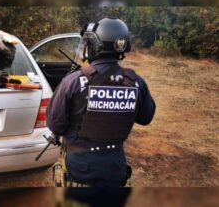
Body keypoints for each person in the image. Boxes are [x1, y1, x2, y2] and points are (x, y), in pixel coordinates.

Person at [47, 17, 156, 187]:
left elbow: (55, 125)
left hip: (80, 169)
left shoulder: (74, 81)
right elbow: (146, 118)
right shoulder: (136, 82)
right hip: (115, 166)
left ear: (95, 45)